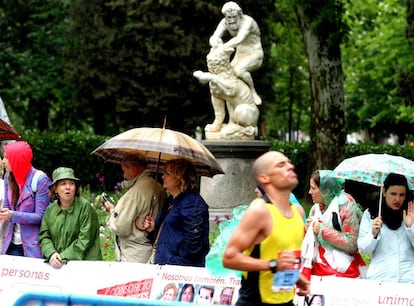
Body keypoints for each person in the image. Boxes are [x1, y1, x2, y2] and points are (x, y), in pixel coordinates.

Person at [222, 151, 310, 306]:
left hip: (286, 300)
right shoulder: (260, 210)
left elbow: (283, 257)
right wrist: (273, 265)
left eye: (288, 163)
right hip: (255, 301)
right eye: (281, 165)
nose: (290, 167)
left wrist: (297, 277)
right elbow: (229, 257)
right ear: (264, 178)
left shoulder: (298, 212)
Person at [144, 158, 210, 267]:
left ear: (179, 177)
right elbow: (171, 234)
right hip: (164, 264)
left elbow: (194, 243)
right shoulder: (171, 201)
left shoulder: (192, 202)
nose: (162, 176)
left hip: (179, 270)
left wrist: (174, 261)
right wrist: (154, 229)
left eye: (167, 174)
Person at [103, 153, 166, 263]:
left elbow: (120, 226)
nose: (124, 175)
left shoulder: (136, 192)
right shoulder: (158, 187)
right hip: (152, 249)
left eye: (124, 170)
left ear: (132, 168)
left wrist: (112, 213)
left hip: (133, 253)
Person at [304, 170, 365, 278]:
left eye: (313, 188)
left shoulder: (346, 208)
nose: (309, 192)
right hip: (318, 263)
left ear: (326, 190)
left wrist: (322, 230)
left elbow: (352, 244)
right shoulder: (315, 208)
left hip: (344, 268)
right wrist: (307, 229)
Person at [38, 167, 102, 268]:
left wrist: (62, 257)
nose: (68, 187)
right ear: (55, 188)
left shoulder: (85, 207)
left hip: (84, 266)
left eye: (71, 183)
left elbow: (85, 240)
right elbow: (44, 236)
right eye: (63, 184)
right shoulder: (50, 210)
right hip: (57, 265)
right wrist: (51, 253)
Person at [357, 173, 414, 283]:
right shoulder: (371, 214)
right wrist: (373, 234)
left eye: (402, 195)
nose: (397, 199)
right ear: (384, 192)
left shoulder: (411, 213)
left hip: (408, 280)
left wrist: (410, 227)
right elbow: (364, 249)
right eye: (393, 194)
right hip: (381, 279)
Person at [0, 141, 51, 258]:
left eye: (7, 158)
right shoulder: (9, 176)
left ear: (17, 159)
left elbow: (41, 216)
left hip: (33, 246)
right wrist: (3, 213)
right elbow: (7, 208)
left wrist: (12, 215)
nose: (3, 161)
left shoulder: (40, 180)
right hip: (11, 244)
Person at [209, 1, 264, 106]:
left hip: (254, 53)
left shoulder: (248, 22)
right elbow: (214, 36)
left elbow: (239, 39)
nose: (232, 20)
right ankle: (234, 109)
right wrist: (215, 42)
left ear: (240, 14)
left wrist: (222, 47)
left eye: (234, 16)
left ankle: (253, 91)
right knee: (229, 76)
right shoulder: (224, 22)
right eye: (229, 17)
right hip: (240, 54)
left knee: (238, 70)